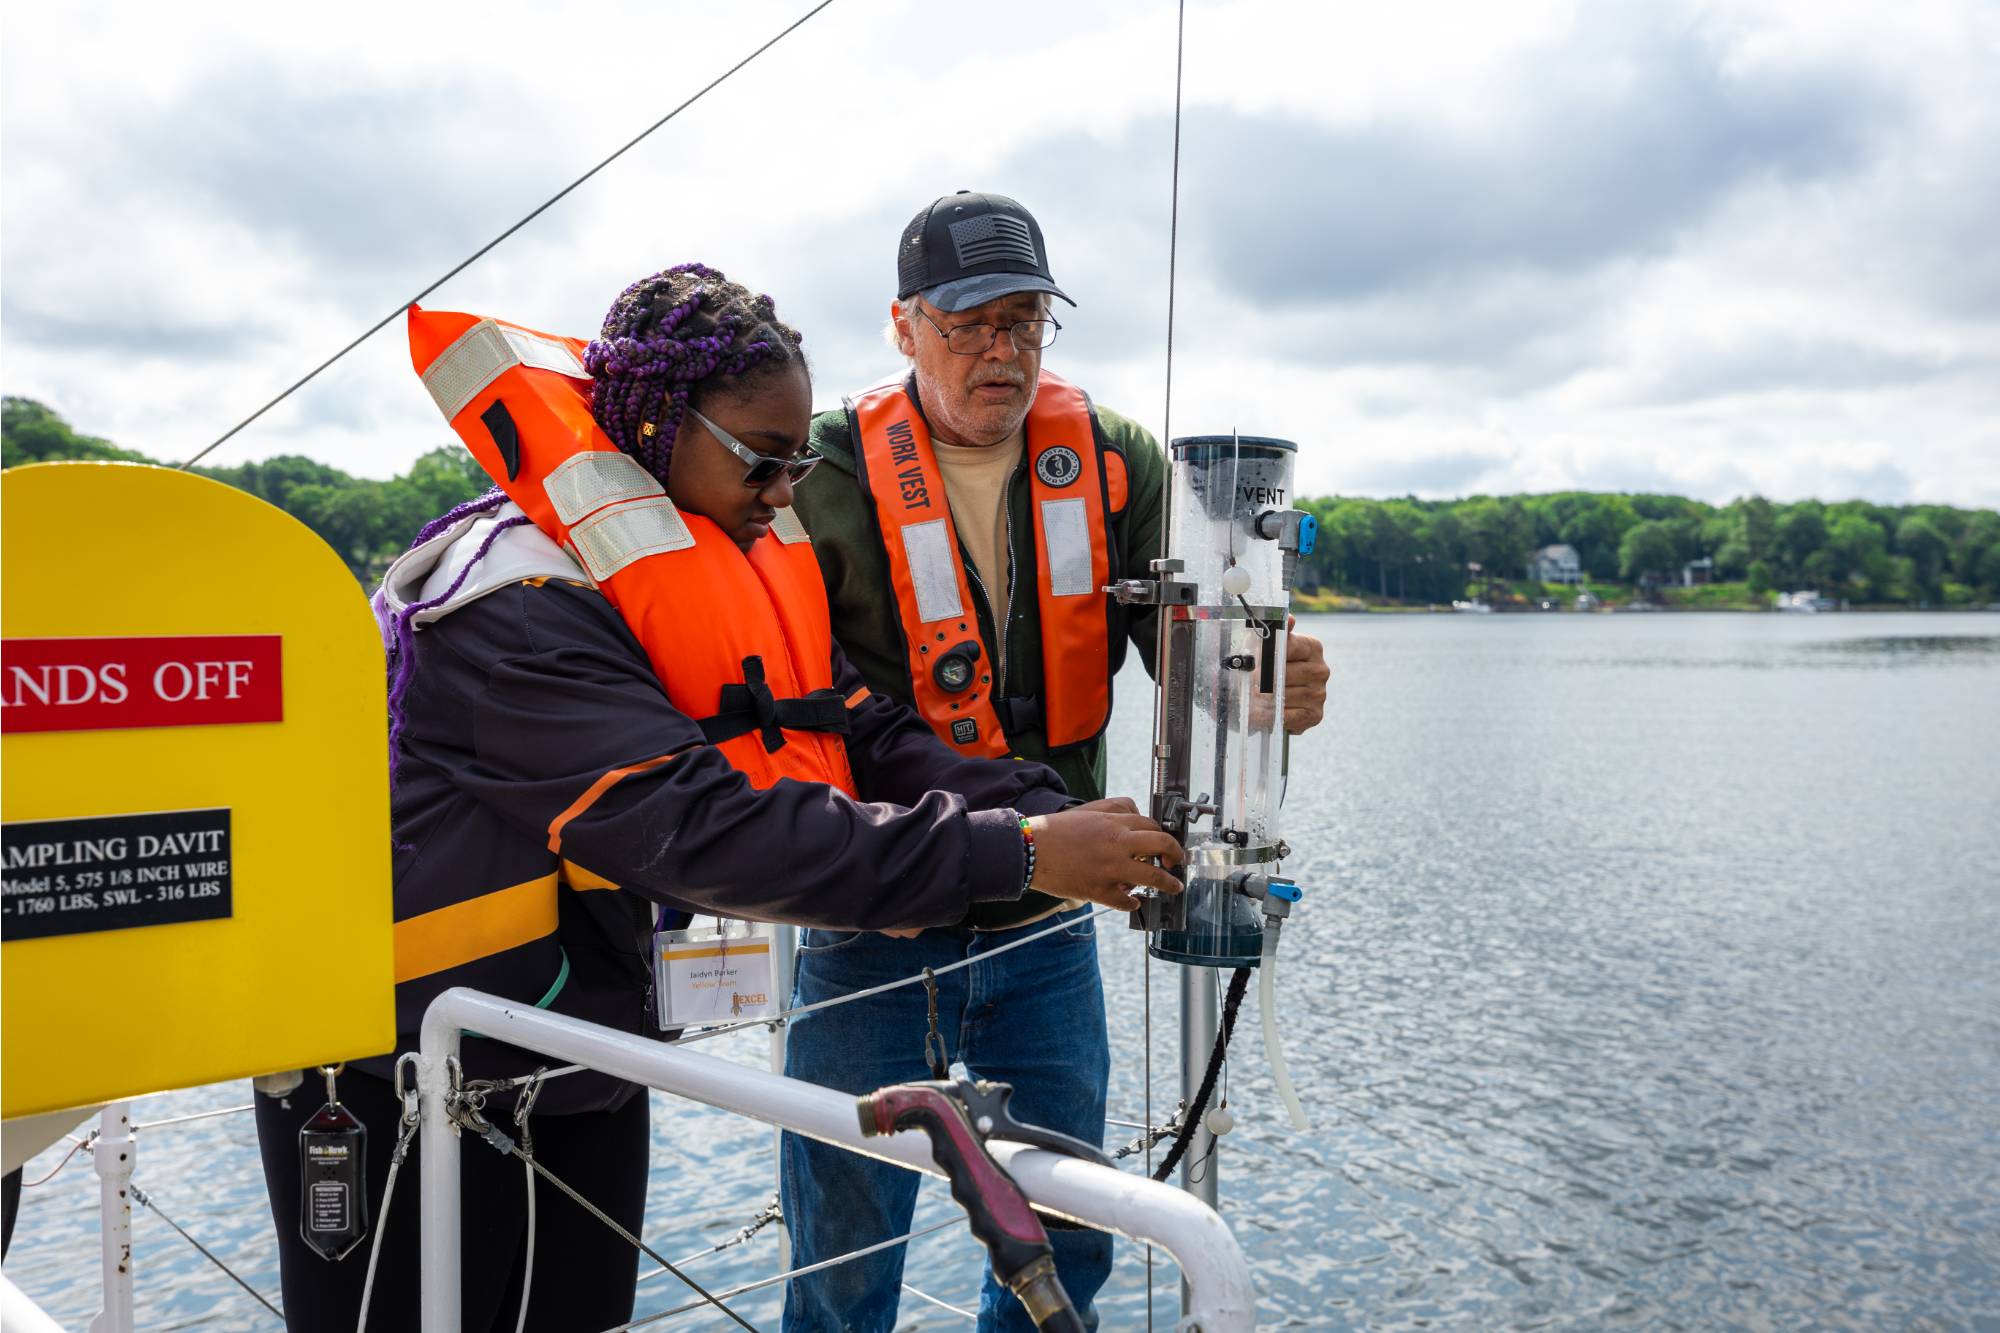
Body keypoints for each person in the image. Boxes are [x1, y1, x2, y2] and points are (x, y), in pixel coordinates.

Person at [252, 262, 1184, 1333]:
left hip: (580, 1061)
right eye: (766, 459)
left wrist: (1051, 809)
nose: (789, 491)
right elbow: (704, 827)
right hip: (412, 1076)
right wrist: (1018, 851)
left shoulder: (694, 562)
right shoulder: (512, 612)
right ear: (655, 426)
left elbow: (850, 725)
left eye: (800, 460)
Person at [780, 193, 1330, 1331]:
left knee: (1066, 1238)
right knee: (841, 1259)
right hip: (874, 918)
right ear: (902, 326)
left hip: (1045, 927)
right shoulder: (817, 473)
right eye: (970, 321)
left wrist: (1267, 682)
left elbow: (1190, 660)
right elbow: (801, 707)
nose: (1003, 350)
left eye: (1026, 321)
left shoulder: (1113, 461)